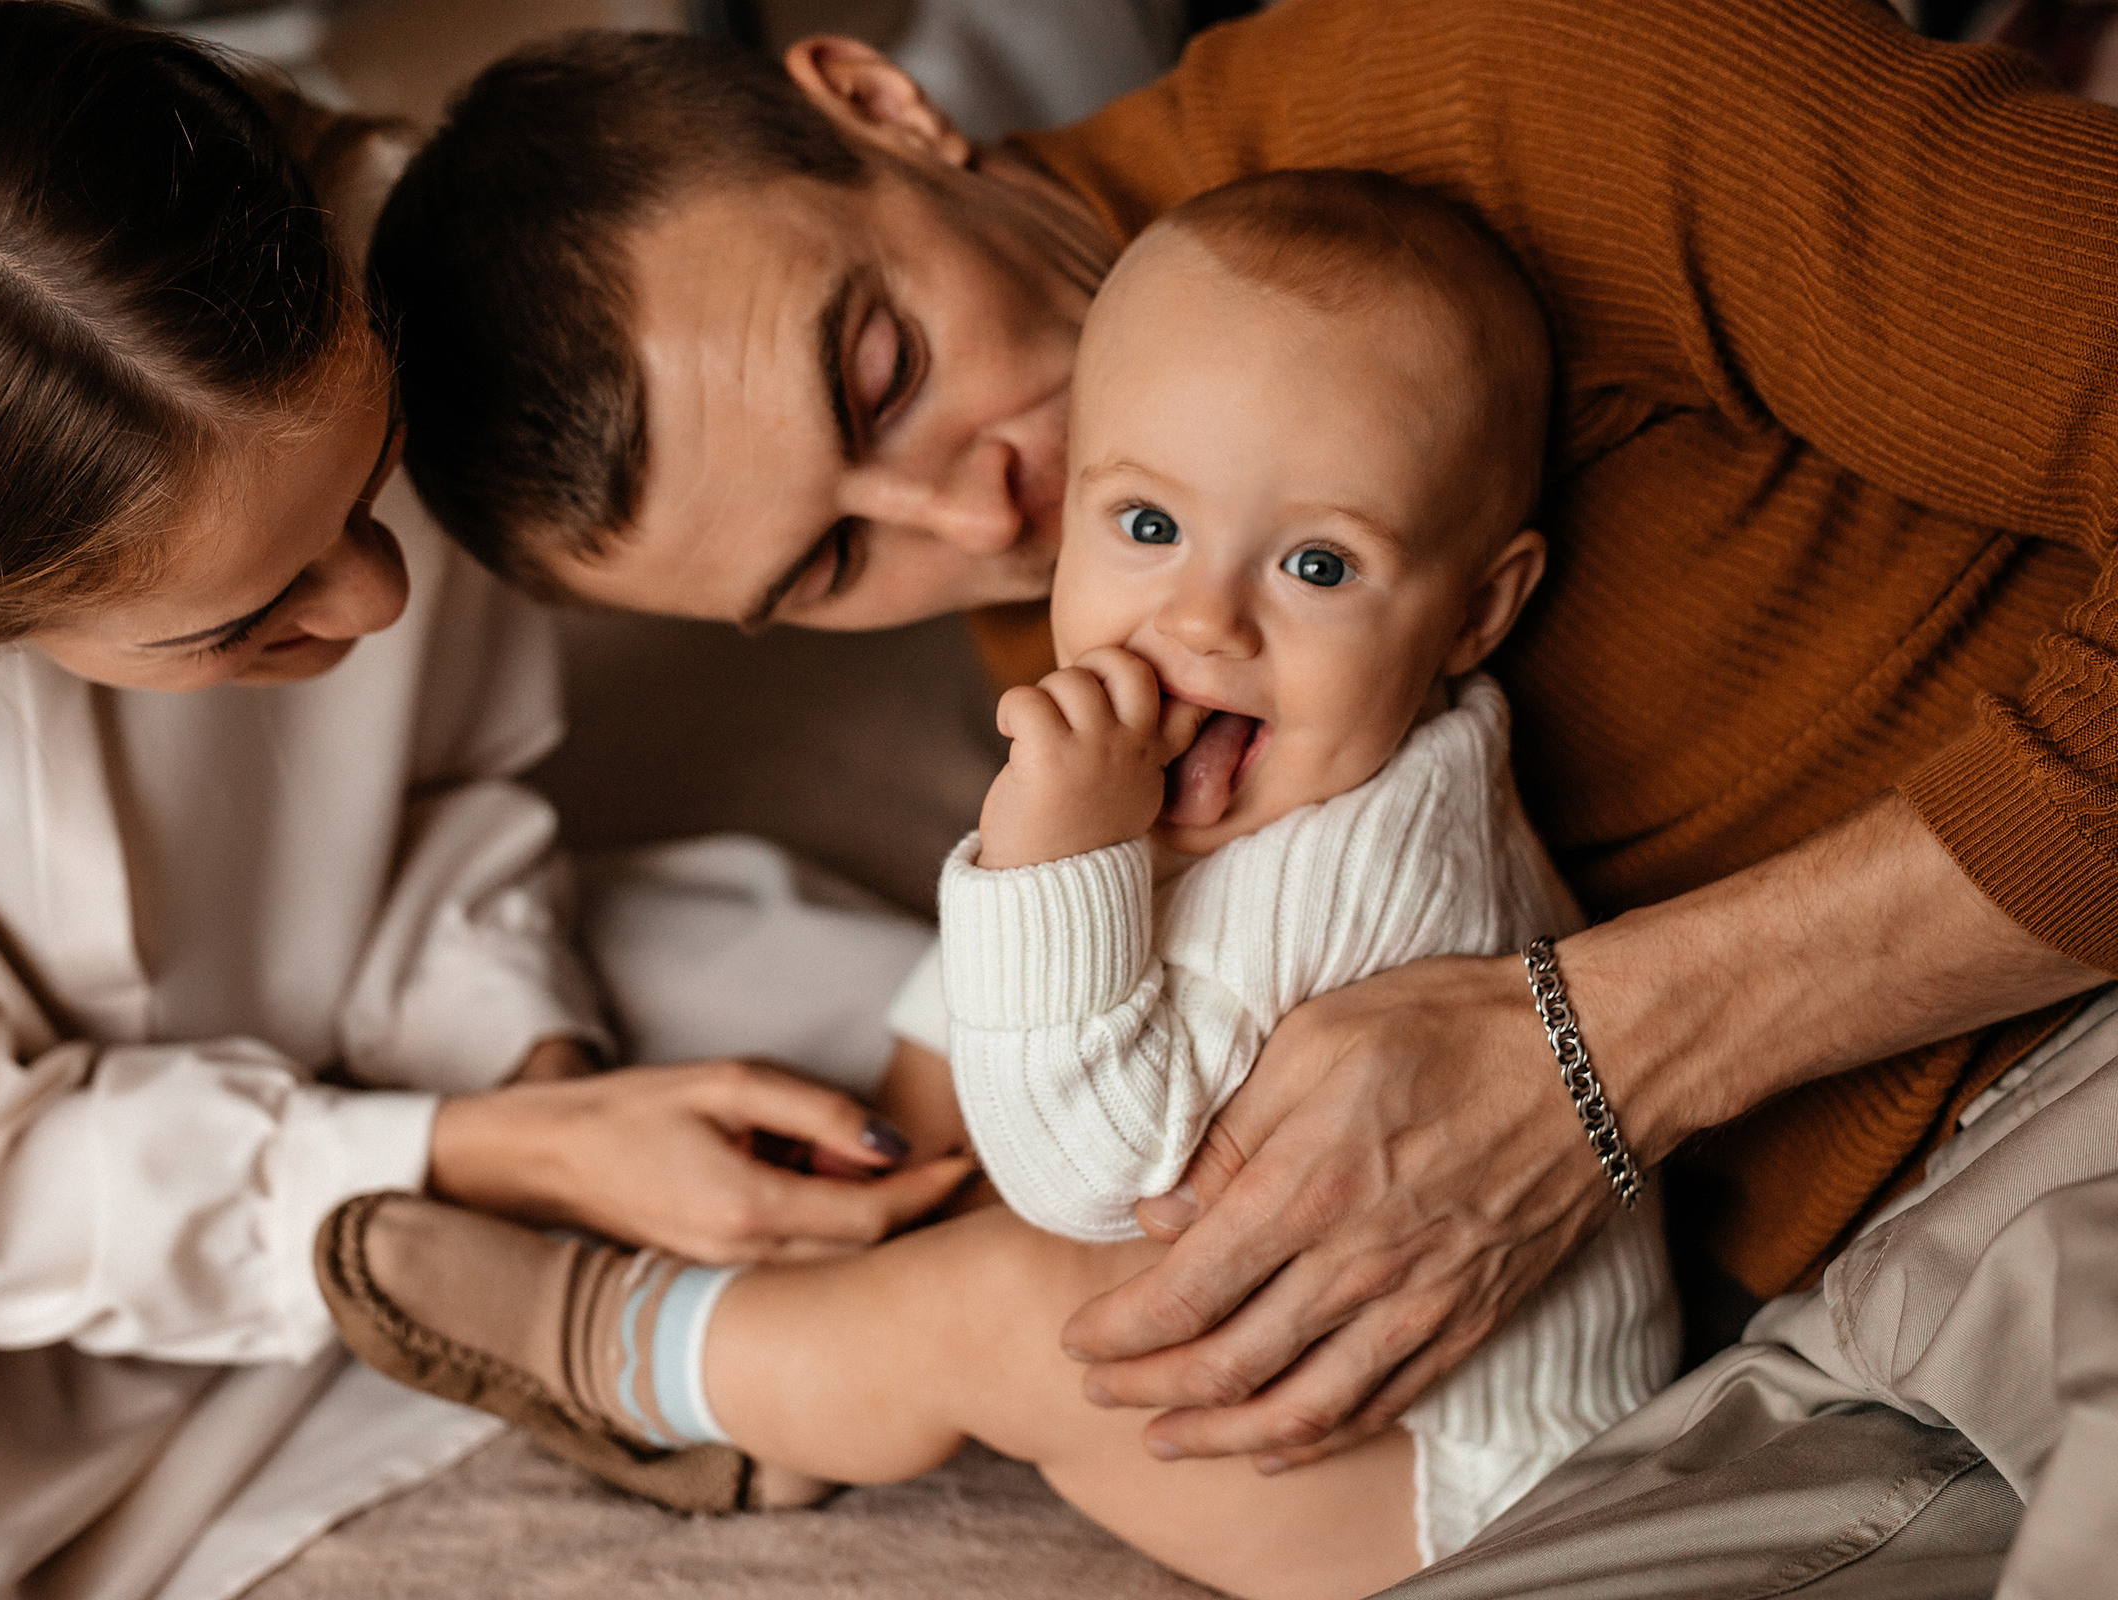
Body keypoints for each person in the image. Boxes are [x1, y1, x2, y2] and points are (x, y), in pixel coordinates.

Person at [361, 1, 2118, 1587]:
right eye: (829, 562)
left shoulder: (1539, 77)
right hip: (1775, 1330)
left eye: (879, 369)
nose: (978, 527)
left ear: (879, 101)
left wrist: (1614, 1044)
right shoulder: (1080, 583)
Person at [0, 6, 969, 1595]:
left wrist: (538, 1066)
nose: (377, 602)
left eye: (369, 491)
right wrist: (480, 1159)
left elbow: (449, 783)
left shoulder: (380, 248)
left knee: (885, 1018)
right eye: (249, 619)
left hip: (375, 1028)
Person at [323, 169, 1681, 1600]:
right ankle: (838, 1348)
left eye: (1319, 563)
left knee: (1004, 1306)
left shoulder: (1369, 868)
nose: (1204, 618)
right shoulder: (1296, 741)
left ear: (1476, 608)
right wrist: (920, 1144)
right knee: (983, 1074)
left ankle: (646, 1356)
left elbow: (1087, 1176)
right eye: (1148, 527)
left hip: (1453, 1482)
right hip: (1341, 1374)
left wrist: (1054, 856)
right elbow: (1033, 983)